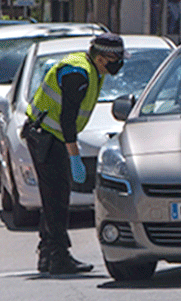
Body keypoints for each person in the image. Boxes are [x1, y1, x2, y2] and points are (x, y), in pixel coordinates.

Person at [23, 33, 125, 275]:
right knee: (57, 200)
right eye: (115, 58)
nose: (118, 64)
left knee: (54, 198)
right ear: (101, 57)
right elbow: (67, 120)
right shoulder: (78, 73)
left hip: (48, 135)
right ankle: (58, 257)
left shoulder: (89, 69)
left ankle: (48, 253)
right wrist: (75, 157)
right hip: (48, 137)